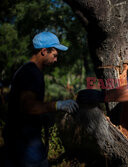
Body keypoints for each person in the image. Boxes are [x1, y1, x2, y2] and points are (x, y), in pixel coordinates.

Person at [3, 32, 79, 167]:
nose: (56, 60)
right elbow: (28, 106)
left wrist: (43, 116)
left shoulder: (27, 70)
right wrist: (58, 105)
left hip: (19, 139)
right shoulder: (31, 73)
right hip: (25, 143)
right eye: (54, 55)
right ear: (44, 51)